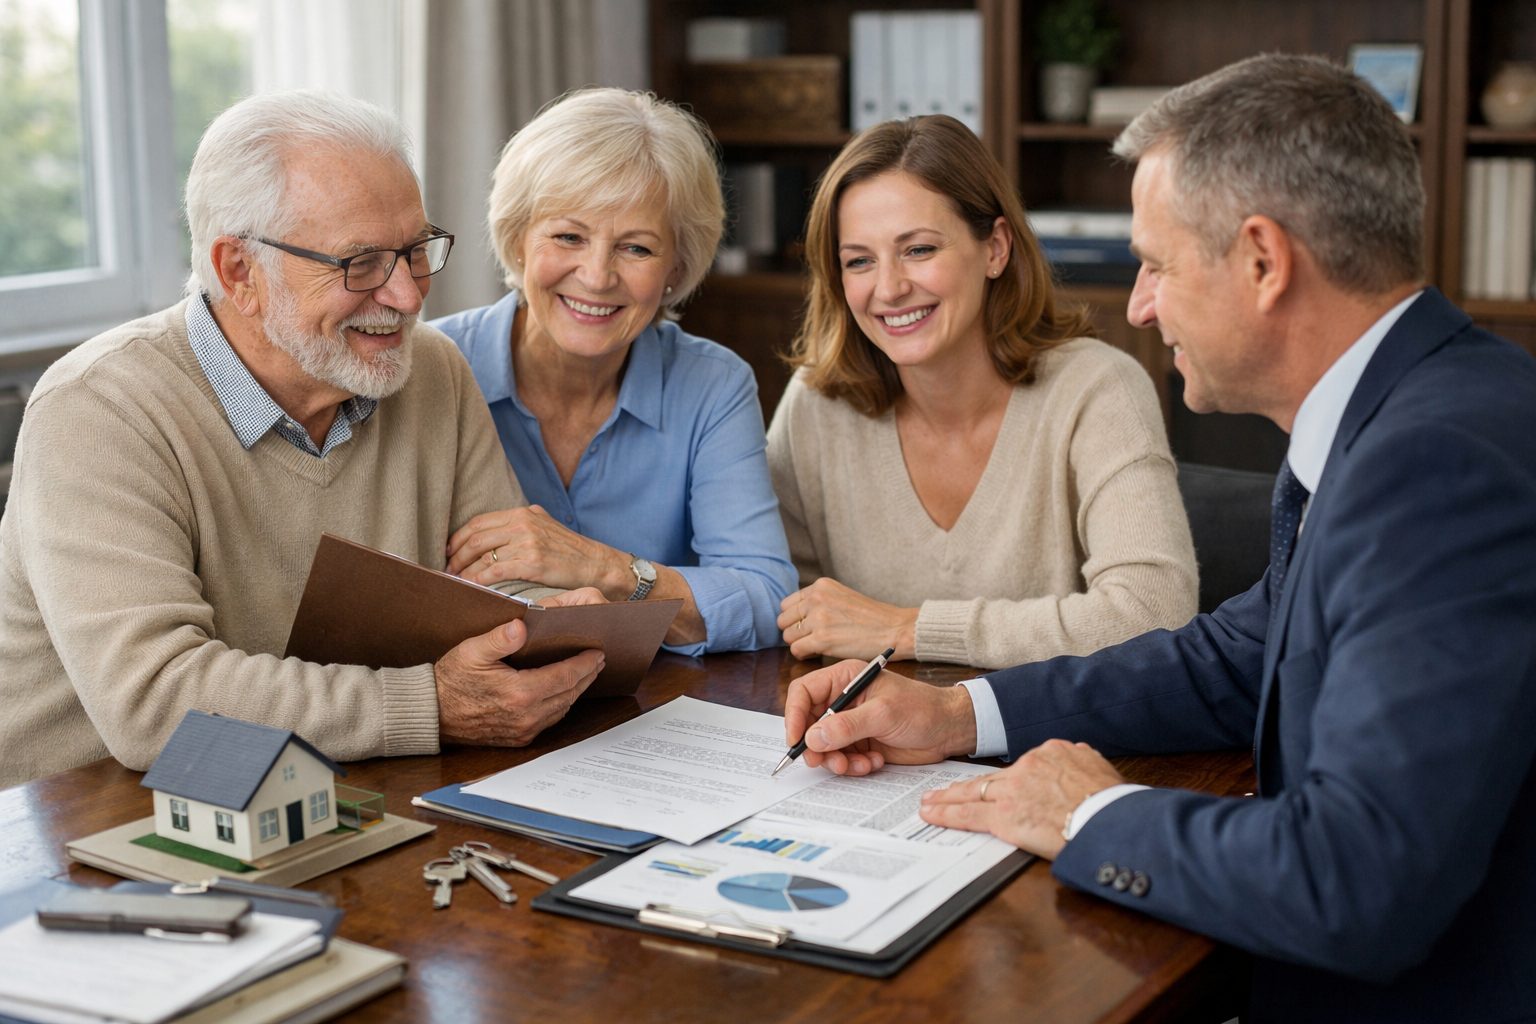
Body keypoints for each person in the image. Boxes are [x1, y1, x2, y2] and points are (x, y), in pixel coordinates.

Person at [785, 55, 1536, 1022]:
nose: (1139, 304)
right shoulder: (1399, 418)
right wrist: (957, 716)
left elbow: (1357, 885)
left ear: (1263, 261)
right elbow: (1235, 658)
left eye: (1157, 263)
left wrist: (1094, 813)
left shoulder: (1436, 466)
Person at [0, 90, 607, 789]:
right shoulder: (97, 409)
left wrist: (549, 630)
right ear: (239, 272)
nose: (408, 297)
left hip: (344, 789)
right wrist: (429, 705)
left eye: (414, 252)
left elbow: (501, 592)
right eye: (360, 264)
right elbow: (154, 701)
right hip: (101, 828)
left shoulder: (432, 370)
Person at [767, 114, 1197, 669]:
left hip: (1051, 747)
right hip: (869, 743)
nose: (890, 288)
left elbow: (1155, 614)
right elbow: (784, 606)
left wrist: (907, 629)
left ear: (995, 248)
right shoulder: (817, 403)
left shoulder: (1097, 389)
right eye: (859, 261)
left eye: (919, 249)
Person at [431, 88, 795, 656]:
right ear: (520, 240)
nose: (597, 276)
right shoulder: (436, 366)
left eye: (636, 249)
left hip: (652, 710)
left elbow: (765, 597)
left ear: (676, 267)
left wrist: (604, 567)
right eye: (569, 236)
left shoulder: (713, 385)